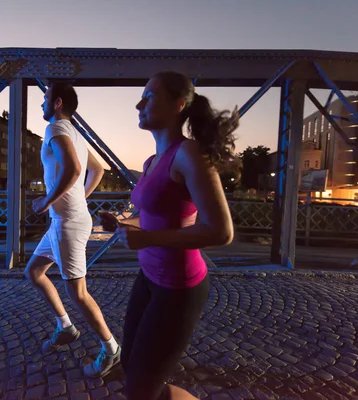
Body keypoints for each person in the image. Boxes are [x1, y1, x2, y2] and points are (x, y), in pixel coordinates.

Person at [100, 71, 238, 399]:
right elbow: (151, 215)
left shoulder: (188, 154)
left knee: (141, 389)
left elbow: (221, 231)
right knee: (133, 369)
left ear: (178, 105)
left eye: (148, 97)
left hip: (179, 287)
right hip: (149, 276)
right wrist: (124, 222)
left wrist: (148, 239)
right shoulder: (152, 161)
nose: (138, 104)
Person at [25, 81, 121, 378]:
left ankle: (111, 349)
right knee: (34, 272)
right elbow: (99, 169)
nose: (41, 103)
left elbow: (75, 170)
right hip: (63, 220)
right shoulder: (75, 133)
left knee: (78, 293)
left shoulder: (56, 129)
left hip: (67, 223)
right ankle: (65, 327)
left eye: (44, 99)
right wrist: (78, 196)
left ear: (57, 103)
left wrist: (45, 201)